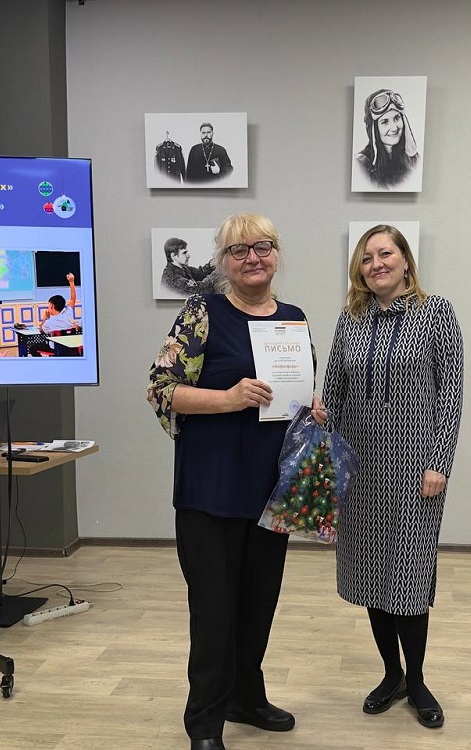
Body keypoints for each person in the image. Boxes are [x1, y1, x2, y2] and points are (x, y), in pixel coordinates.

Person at [147, 213, 324, 750]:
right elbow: (160, 389)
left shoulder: (293, 319)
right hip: (211, 490)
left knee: (258, 604)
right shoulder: (202, 312)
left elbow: (296, 393)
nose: (253, 258)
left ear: (277, 254)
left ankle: (247, 697)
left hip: (272, 491)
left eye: (262, 247)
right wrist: (227, 398)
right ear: (223, 262)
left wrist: (312, 408)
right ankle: (204, 721)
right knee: (215, 610)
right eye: (239, 250)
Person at [321, 224, 463, 731]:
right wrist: (321, 441)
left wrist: (439, 462)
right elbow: (333, 391)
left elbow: (450, 395)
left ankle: (417, 680)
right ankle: (392, 674)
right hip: (360, 471)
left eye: (385, 253)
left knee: (408, 576)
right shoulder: (351, 320)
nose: (376, 264)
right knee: (371, 575)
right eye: (367, 257)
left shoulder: (437, 313)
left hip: (414, 469)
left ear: (405, 260)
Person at [356, 89, 421, 189]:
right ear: (373, 129)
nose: (394, 128)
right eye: (385, 122)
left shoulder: (414, 160)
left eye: (397, 118)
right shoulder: (360, 165)